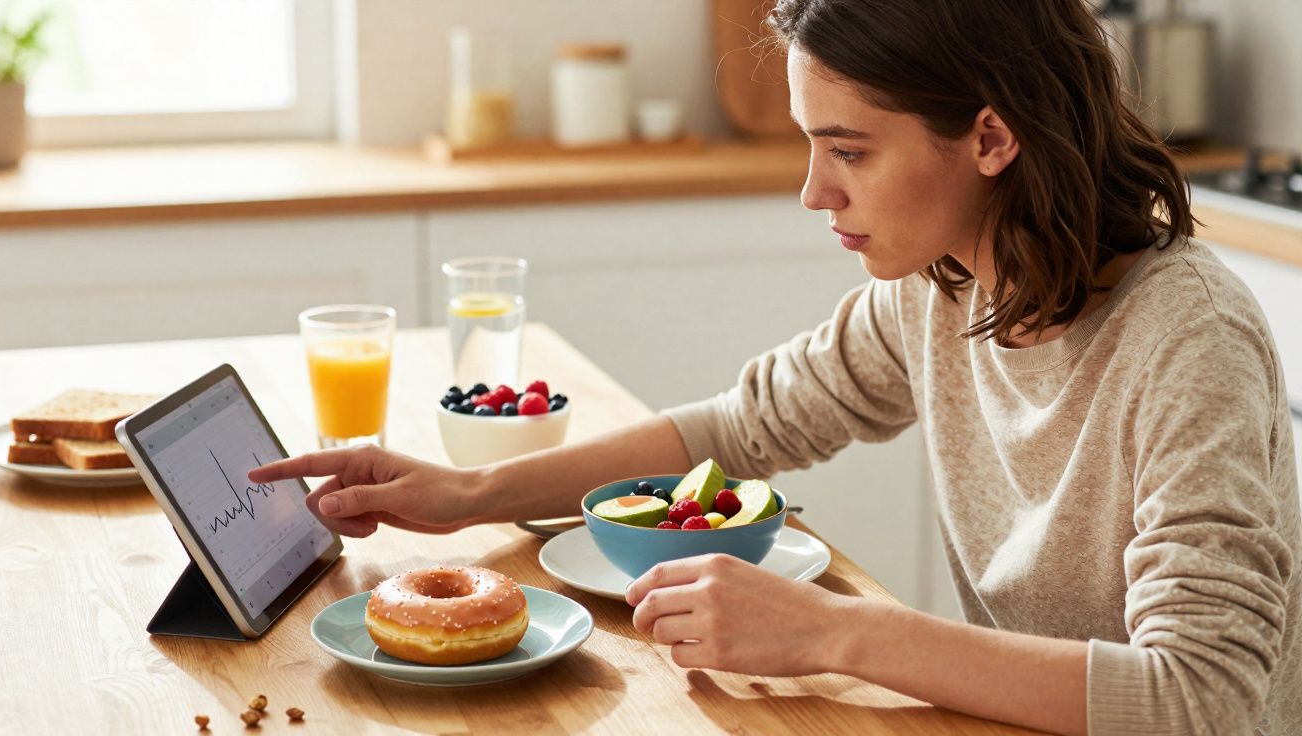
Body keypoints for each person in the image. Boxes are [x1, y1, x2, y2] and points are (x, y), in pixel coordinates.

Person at [251, 0, 1301, 732]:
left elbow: (1198, 701)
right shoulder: (942, 285)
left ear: (990, 137)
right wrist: (470, 494)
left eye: (848, 150)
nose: (813, 192)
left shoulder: (1185, 339)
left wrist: (833, 632)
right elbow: (739, 429)